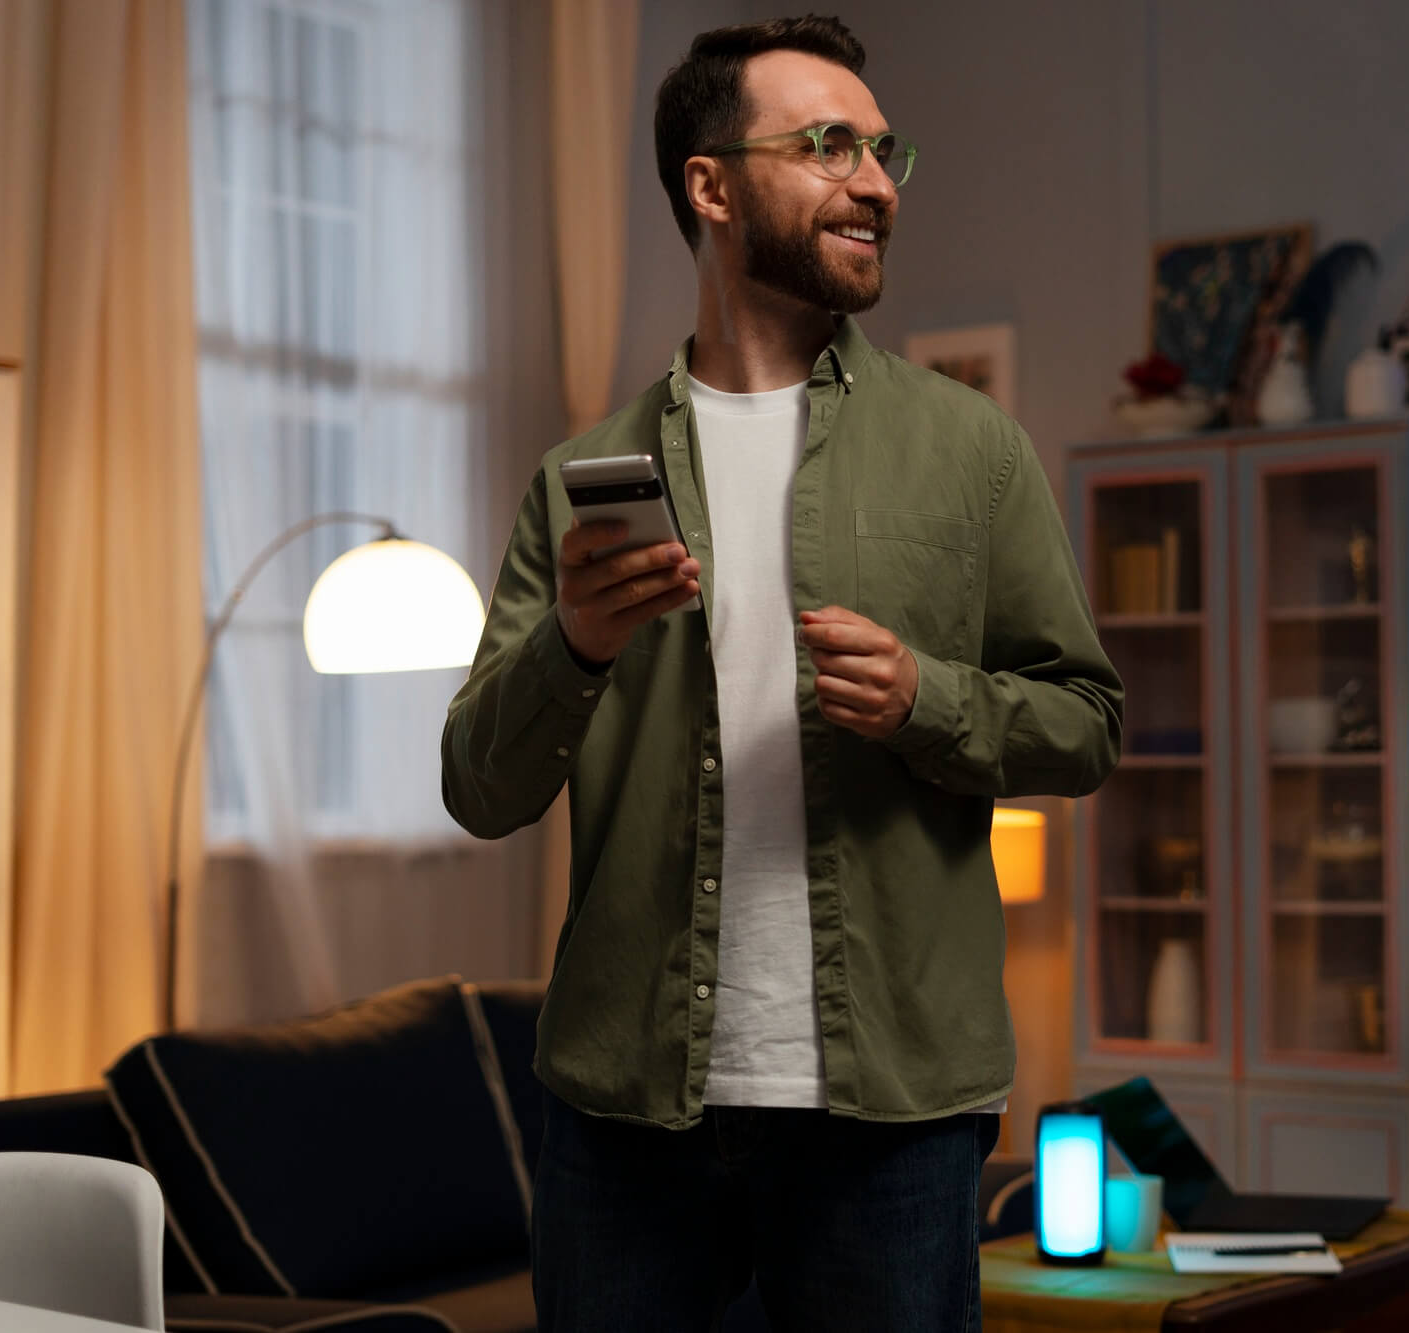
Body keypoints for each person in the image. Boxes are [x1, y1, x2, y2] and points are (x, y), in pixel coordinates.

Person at [441, 15, 1122, 1332]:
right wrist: (575, 644)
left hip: (895, 1123)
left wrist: (932, 699)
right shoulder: (579, 478)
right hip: (625, 1116)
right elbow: (480, 783)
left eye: (882, 151)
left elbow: (1087, 723)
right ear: (712, 186)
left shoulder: (972, 452)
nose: (878, 182)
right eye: (829, 147)